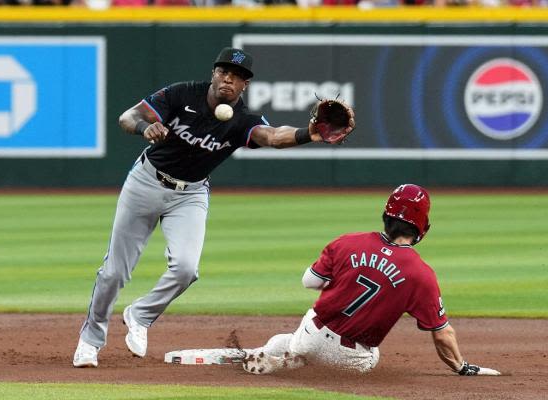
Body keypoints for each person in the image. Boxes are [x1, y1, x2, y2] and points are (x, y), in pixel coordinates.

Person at [72, 47, 354, 368]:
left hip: (190, 194)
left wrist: (309, 134)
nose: (228, 80)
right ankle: (90, 341)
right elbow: (128, 117)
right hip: (146, 182)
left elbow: (274, 136)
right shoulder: (181, 95)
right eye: (224, 72)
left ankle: (140, 314)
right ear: (213, 73)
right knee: (114, 272)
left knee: (186, 269)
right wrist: (143, 127)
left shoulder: (243, 120)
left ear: (245, 85)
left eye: (237, 77)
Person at [243, 184, 501, 377]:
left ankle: (272, 354)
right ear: (423, 227)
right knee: (372, 357)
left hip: (311, 331)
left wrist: (346, 278)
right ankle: (292, 362)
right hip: (349, 357)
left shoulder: (347, 242)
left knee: (292, 341)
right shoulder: (421, 274)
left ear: (385, 216)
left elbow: (309, 282)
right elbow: (442, 334)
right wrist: (461, 367)